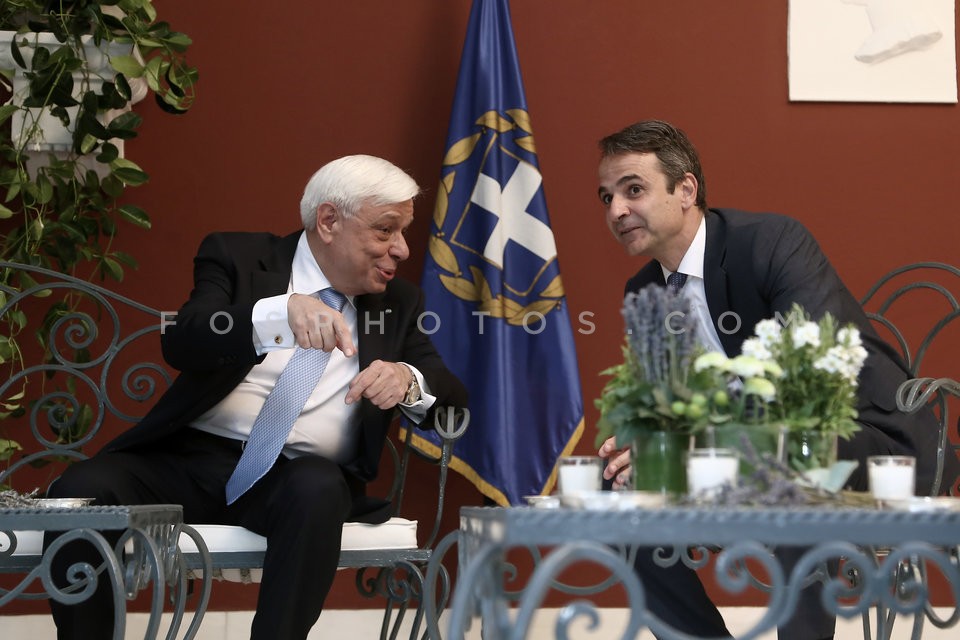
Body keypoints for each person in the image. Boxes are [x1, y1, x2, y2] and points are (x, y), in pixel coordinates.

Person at [46, 154, 468, 640]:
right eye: (385, 230)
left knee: (318, 486)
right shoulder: (238, 257)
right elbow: (183, 338)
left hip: (294, 482)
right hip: (189, 464)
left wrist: (406, 379)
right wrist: (276, 314)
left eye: (403, 232)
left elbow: (451, 399)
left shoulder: (397, 304)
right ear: (329, 221)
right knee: (82, 488)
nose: (402, 249)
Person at [594, 120, 958, 640]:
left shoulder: (769, 242)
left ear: (686, 189)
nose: (616, 210)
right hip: (737, 460)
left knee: (794, 452)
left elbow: (810, 379)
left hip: (872, 445)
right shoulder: (644, 290)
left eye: (634, 189)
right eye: (607, 196)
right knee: (613, 485)